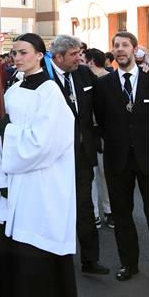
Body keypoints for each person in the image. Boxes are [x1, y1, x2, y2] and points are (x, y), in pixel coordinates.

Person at [0, 33, 80, 297]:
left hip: (39, 186)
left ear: (41, 55)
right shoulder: (12, 89)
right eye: (13, 53)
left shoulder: (49, 92)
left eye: (23, 52)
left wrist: (8, 132)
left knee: (32, 259)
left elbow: (44, 142)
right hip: (14, 185)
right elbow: (4, 137)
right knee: (9, 256)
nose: (17, 58)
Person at [93, 31, 149, 281]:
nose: (120, 49)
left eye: (125, 45)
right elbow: (101, 120)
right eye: (116, 45)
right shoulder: (104, 84)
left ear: (135, 49)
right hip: (117, 160)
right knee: (122, 214)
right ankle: (129, 264)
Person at [49, 35, 109, 275]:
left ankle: (90, 260)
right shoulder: (45, 78)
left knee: (84, 206)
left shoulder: (84, 75)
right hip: (54, 157)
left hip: (82, 154)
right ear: (59, 56)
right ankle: (56, 260)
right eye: (74, 55)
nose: (79, 58)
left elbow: (101, 103)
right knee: (56, 207)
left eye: (79, 54)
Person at [85, 48, 114, 229]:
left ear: (91, 61)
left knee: (103, 174)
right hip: (89, 134)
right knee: (94, 176)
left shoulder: (108, 79)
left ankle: (107, 210)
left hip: (103, 134)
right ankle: (96, 213)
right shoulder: (84, 78)